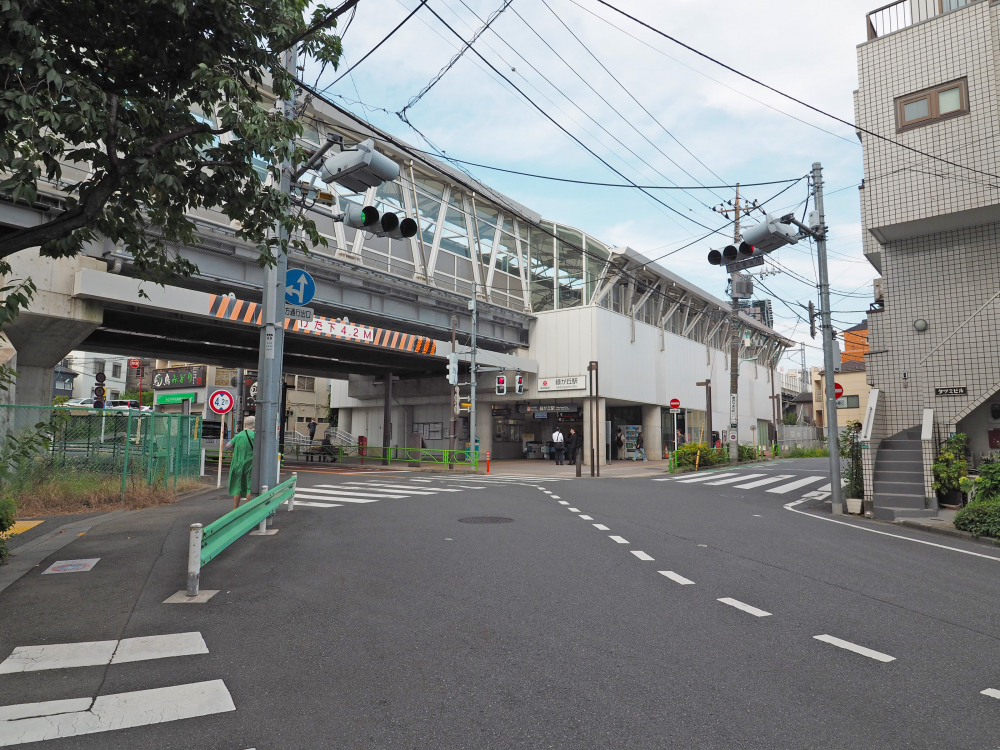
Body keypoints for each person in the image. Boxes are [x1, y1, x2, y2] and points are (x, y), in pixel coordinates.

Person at [226, 416, 255, 509]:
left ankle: (235, 509)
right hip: (250, 464)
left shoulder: (238, 435)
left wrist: (237, 448)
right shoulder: (254, 435)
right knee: (249, 487)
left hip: (237, 464)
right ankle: (248, 510)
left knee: (237, 487)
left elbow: (227, 446)